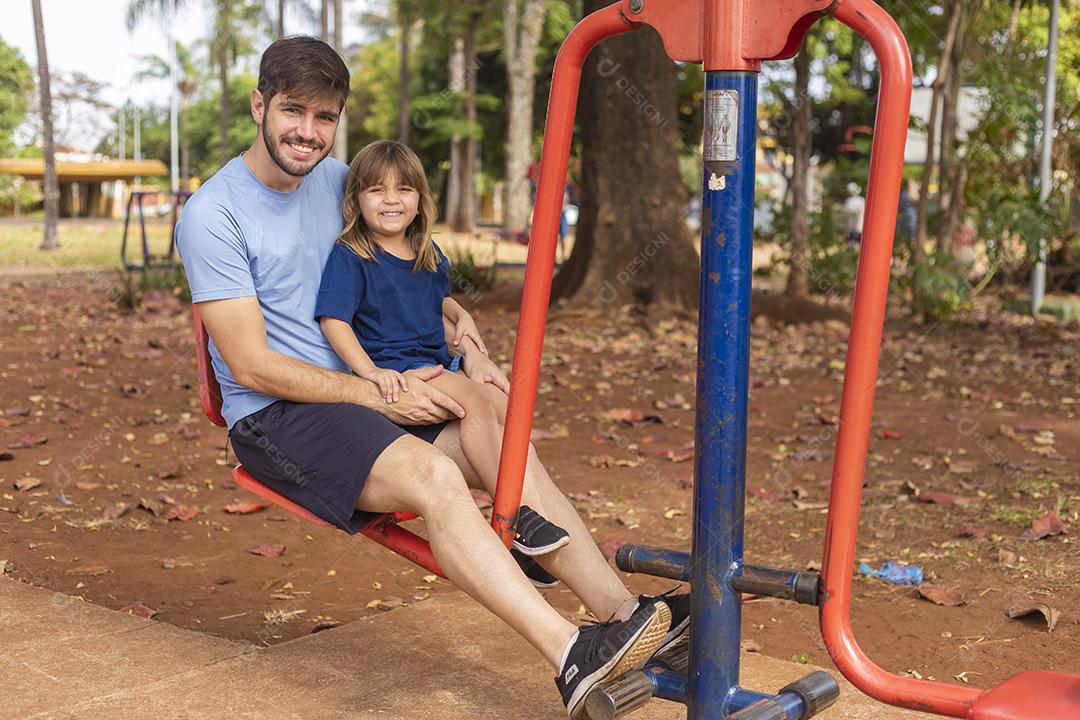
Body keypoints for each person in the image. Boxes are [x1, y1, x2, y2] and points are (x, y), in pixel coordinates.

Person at [175, 36, 689, 718]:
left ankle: (625, 616)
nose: (307, 132)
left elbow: (404, 279)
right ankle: (570, 654)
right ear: (259, 104)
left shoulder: (341, 184)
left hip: (370, 394)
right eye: (293, 111)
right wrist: (376, 391)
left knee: (504, 438)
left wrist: (467, 339)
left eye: (324, 117)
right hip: (278, 415)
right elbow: (250, 364)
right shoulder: (214, 214)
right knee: (435, 477)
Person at [315, 140, 569, 557]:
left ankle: (529, 532)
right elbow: (334, 320)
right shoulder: (353, 256)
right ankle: (512, 515)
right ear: (356, 199)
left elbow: (430, 301)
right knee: (473, 397)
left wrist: (459, 311)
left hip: (437, 362)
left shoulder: (427, 253)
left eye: (404, 189)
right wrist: (369, 372)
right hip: (401, 371)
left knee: (507, 405)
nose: (391, 199)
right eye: (377, 189)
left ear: (420, 199)